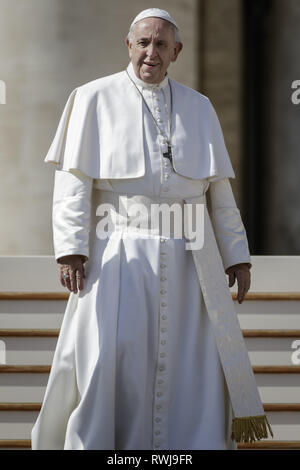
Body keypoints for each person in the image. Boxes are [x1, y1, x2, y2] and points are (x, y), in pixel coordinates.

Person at [31, 8, 273, 450]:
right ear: (129, 45)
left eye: (161, 44)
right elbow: (73, 182)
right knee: (109, 361)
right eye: (143, 42)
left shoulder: (199, 108)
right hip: (117, 254)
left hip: (190, 261)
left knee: (189, 367)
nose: (151, 52)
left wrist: (236, 255)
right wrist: (70, 248)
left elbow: (218, 193)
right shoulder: (92, 98)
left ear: (176, 51)